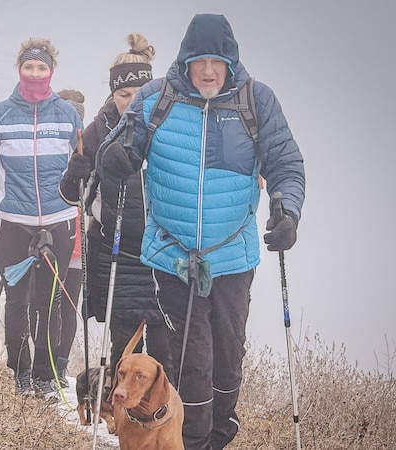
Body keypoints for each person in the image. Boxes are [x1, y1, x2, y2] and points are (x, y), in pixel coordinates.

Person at [98, 14, 306, 449]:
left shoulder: (256, 100)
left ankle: (220, 432)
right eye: (199, 60)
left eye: (218, 60)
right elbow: (119, 145)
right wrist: (115, 158)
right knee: (191, 358)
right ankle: (192, 441)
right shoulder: (156, 98)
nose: (208, 70)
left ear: (231, 62)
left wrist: (287, 210)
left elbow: (285, 163)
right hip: (172, 255)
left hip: (232, 255)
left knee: (228, 358)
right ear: (185, 60)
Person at [0, 37, 83, 401]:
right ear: (20, 69)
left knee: (48, 302)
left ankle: (46, 376)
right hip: (10, 224)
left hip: (58, 220)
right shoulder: (1, 113)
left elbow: (80, 162)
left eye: (41, 67)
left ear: (51, 71)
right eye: (29, 67)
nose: (35, 74)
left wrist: (83, 175)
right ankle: (21, 373)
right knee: (17, 299)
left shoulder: (67, 114)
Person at [58, 33, 167, 377]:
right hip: (115, 246)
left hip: (163, 243)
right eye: (123, 95)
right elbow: (70, 195)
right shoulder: (98, 129)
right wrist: (74, 172)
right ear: (112, 94)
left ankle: (162, 416)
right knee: (125, 341)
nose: (132, 102)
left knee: (166, 340)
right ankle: (122, 413)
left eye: (140, 94)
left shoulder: (170, 124)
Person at [55, 89, 86, 388]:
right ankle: (57, 365)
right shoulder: (88, 147)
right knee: (66, 306)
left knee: (52, 305)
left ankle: (54, 365)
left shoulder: (55, 149)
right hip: (76, 244)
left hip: (63, 242)